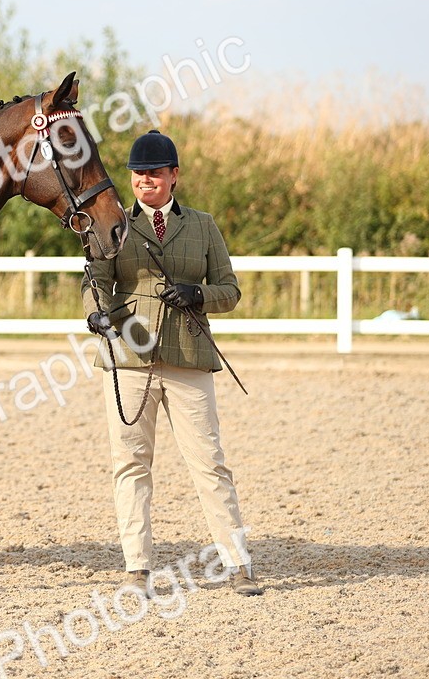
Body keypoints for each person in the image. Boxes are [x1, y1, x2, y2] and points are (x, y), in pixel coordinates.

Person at [81, 129, 263, 597]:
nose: (145, 181)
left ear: (173, 176)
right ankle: (136, 567)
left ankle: (238, 563)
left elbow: (231, 290)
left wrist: (199, 293)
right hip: (129, 355)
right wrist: (96, 314)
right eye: (138, 174)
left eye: (155, 173)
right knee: (131, 463)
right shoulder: (114, 224)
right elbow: (95, 279)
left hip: (188, 356)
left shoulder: (203, 225)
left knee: (210, 463)